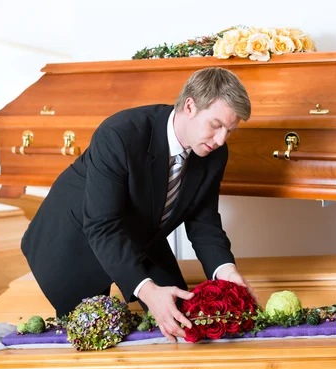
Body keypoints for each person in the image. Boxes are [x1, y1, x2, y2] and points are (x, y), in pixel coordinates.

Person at [21, 67, 258, 342]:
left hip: (141, 236)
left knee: (181, 319)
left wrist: (227, 272)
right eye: (216, 125)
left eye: (230, 130)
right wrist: (146, 290)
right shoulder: (119, 134)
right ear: (190, 106)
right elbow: (102, 225)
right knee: (94, 335)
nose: (221, 140)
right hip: (72, 240)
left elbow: (203, 222)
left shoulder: (215, 153)